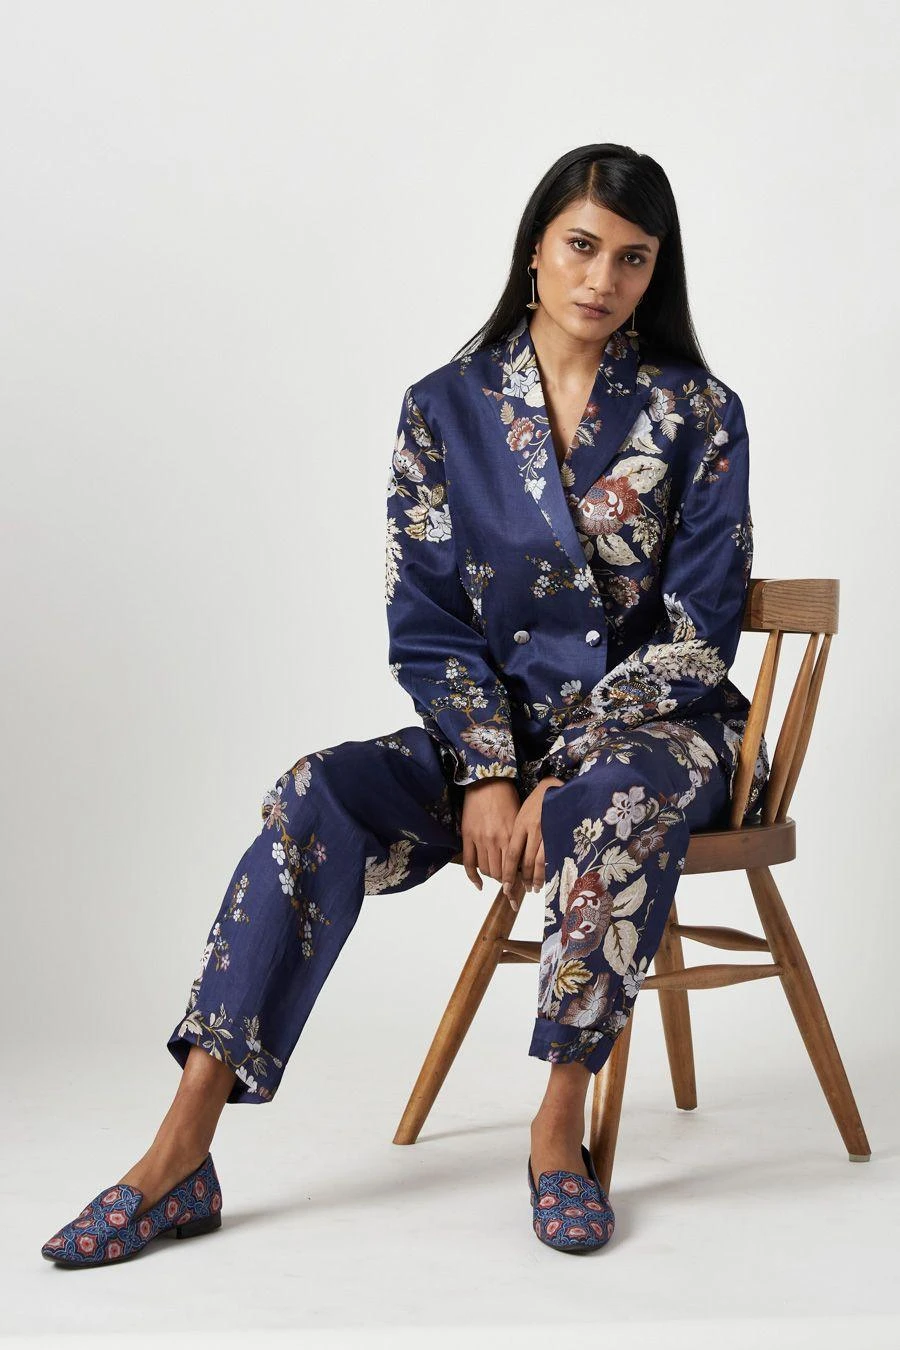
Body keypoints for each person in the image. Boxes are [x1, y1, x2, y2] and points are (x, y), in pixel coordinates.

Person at [40, 141, 770, 1265]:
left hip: (660, 739)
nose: (602, 278)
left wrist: (564, 768)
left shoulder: (697, 411)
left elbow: (698, 628)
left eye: (633, 258)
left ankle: (557, 1133)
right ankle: (180, 1151)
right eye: (582, 246)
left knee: (615, 797)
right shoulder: (445, 408)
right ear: (536, 248)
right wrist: (488, 768)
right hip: (495, 737)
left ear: (655, 270)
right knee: (318, 791)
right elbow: (426, 618)